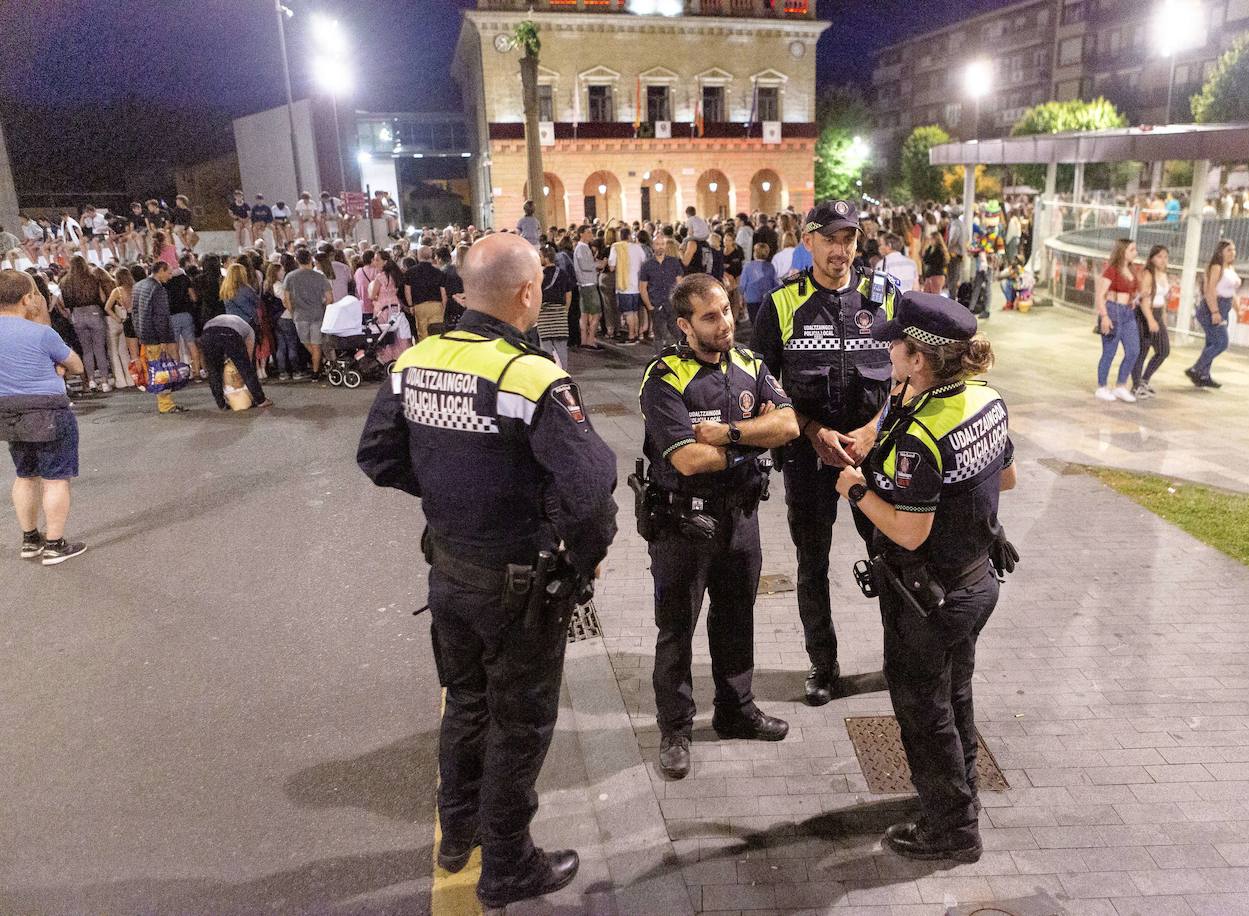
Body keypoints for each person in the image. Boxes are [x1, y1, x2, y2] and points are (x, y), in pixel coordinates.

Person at [357, 233, 618, 909]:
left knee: (467, 705)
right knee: (519, 724)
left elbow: (379, 457)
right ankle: (507, 866)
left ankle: (458, 833)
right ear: (528, 293)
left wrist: (452, 496)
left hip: (449, 571)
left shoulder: (414, 361)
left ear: (460, 291)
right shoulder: (529, 376)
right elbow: (591, 488)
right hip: (518, 582)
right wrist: (576, 558)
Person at [841, 290, 1016, 864]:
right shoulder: (984, 398)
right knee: (954, 690)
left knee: (921, 707)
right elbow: (1006, 477)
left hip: (931, 595)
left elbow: (909, 532)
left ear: (919, 358)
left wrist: (857, 489)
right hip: (976, 579)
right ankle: (960, 794)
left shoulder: (923, 433)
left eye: (897, 343)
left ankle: (951, 827)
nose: (888, 350)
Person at [637, 274, 798, 780]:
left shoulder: (750, 364)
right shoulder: (664, 377)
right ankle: (676, 727)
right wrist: (756, 439)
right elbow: (686, 458)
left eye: (727, 310)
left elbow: (790, 426)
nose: (725, 322)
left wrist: (728, 436)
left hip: (742, 517)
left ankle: (735, 709)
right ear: (685, 324)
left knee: (736, 617)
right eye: (710, 316)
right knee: (677, 629)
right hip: (683, 522)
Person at [752, 200, 898, 706]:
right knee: (812, 565)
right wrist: (813, 430)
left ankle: (899, 659)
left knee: (889, 558)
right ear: (808, 240)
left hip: (874, 457)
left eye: (850, 240)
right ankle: (823, 665)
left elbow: (910, 378)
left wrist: (874, 430)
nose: (842, 251)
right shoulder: (781, 303)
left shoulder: (887, 298)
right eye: (831, 239)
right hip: (809, 460)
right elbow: (763, 387)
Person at [0, 270, 89, 565]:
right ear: (27, 298)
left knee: (25, 476)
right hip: (48, 410)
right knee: (55, 479)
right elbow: (75, 364)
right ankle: (55, 544)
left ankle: (30, 539)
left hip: (9, 412)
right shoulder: (41, 333)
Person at [132, 261, 186, 414]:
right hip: (157, 336)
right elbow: (161, 317)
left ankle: (165, 403)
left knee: (155, 368)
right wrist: (163, 339)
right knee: (162, 370)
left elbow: (134, 312)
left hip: (145, 334)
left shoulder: (139, 286)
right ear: (160, 271)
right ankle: (166, 404)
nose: (170, 277)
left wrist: (140, 333)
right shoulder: (158, 289)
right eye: (168, 273)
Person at [1093, 238, 1141, 403]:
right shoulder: (1111, 270)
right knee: (1109, 352)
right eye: (1132, 249)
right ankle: (1102, 386)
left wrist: (1134, 300)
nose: (1136, 252)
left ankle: (1121, 385)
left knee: (1134, 350)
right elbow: (1100, 295)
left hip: (1128, 313)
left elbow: (1134, 291)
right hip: (1113, 311)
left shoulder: (1132, 271)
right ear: (1123, 251)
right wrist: (1104, 316)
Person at [1187, 240, 1238, 389]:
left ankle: (1203, 375)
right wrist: (1215, 311)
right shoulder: (1216, 267)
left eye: (1234, 250)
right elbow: (1210, 290)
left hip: (1225, 307)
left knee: (1212, 342)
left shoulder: (1230, 267)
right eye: (1229, 250)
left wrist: (1236, 307)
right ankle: (1196, 369)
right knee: (1221, 342)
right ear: (1220, 251)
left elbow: (1230, 290)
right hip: (1213, 307)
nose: (1232, 253)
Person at [59, 257, 112, 393]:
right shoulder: (93, 278)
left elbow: (65, 303)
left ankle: (91, 380)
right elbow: (102, 298)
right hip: (94, 312)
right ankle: (105, 382)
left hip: (77, 315)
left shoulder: (65, 281)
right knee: (99, 349)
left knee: (86, 350)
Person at [199, 312, 272, 411]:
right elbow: (249, 359)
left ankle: (221, 404)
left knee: (214, 371)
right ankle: (261, 400)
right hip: (230, 333)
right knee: (246, 369)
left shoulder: (232, 320)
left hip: (207, 333)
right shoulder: (250, 331)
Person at [282, 248, 335, 379]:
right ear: (310, 259)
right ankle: (316, 371)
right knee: (317, 344)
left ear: (297, 260)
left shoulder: (290, 277)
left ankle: (320, 364)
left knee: (306, 342)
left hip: (300, 315)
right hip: (317, 314)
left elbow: (286, 299)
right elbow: (329, 298)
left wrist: (292, 312)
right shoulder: (320, 277)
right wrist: (325, 309)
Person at [1131, 245, 1171, 399]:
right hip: (1147, 314)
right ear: (1152, 258)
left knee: (1163, 350)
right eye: (1159, 256)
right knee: (1143, 350)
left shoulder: (1163, 274)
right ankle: (1136, 385)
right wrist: (1150, 319)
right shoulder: (1148, 274)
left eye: (1165, 257)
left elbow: (1163, 298)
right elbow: (1143, 299)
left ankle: (1144, 379)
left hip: (1158, 313)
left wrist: (1163, 317)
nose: (1163, 260)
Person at [639, 234, 684, 345]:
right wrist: (649, 306)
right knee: (658, 335)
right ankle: (659, 358)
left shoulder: (674, 262)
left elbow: (680, 284)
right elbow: (642, 288)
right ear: (653, 245)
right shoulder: (647, 265)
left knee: (677, 333)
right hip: (656, 304)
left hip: (671, 304)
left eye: (662, 244)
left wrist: (679, 303)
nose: (660, 247)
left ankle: (682, 356)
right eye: (657, 244)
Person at [536, 244, 573, 366]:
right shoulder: (562, 273)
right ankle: (563, 372)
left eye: (540, 256)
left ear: (546, 258)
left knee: (546, 347)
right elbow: (568, 293)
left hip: (544, 315)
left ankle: (548, 373)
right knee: (561, 346)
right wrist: (565, 310)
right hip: (560, 313)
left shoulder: (539, 275)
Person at [609, 227, 646, 342]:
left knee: (628, 312)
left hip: (624, 285)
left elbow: (611, 267)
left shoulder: (616, 247)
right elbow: (644, 262)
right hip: (637, 285)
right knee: (634, 311)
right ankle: (635, 333)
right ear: (630, 235)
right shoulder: (638, 247)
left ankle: (631, 336)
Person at [404, 246, 448, 340]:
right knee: (437, 333)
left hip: (420, 306)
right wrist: (444, 306)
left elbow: (407, 291)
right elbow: (443, 293)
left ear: (418, 256)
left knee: (423, 333)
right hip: (436, 305)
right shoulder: (439, 272)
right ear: (431, 256)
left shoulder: (410, 272)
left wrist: (411, 305)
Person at [103, 267, 136, 389]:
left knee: (120, 352)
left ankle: (125, 380)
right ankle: (134, 379)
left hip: (125, 321)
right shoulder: (135, 288)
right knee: (130, 352)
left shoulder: (118, 291)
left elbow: (107, 307)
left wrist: (117, 319)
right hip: (136, 320)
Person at [573, 225, 602, 350]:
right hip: (588, 285)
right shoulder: (582, 248)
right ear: (581, 234)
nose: (591, 234)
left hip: (584, 284)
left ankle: (584, 339)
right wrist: (598, 264)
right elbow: (585, 265)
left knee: (584, 314)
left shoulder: (582, 248)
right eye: (588, 232)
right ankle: (590, 340)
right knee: (596, 313)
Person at [737, 243, 776, 324]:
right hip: (766, 298)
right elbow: (774, 283)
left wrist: (741, 297)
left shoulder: (748, 266)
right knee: (765, 322)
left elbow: (742, 284)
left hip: (751, 298)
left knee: (754, 322)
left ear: (755, 253)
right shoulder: (770, 266)